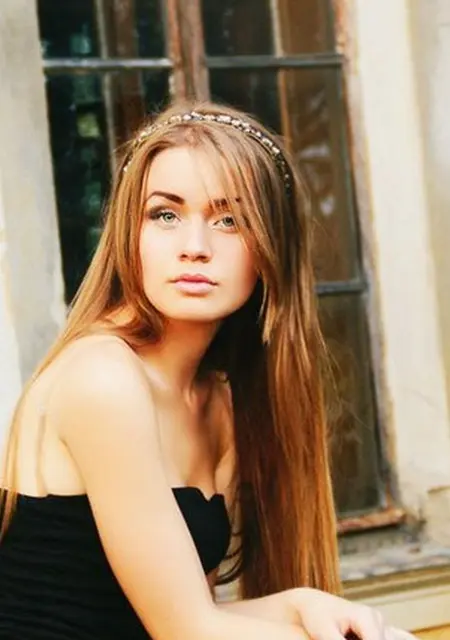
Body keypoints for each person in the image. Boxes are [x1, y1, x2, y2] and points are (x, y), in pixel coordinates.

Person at [0, 101, 414, 640]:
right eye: (165, 215)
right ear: (128, 232)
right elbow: (187, 631)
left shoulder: (217, 402)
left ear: (271, 247)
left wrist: (303, 603)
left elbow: (190, 616)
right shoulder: (101, 378)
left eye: (230, 221)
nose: (194, 248)